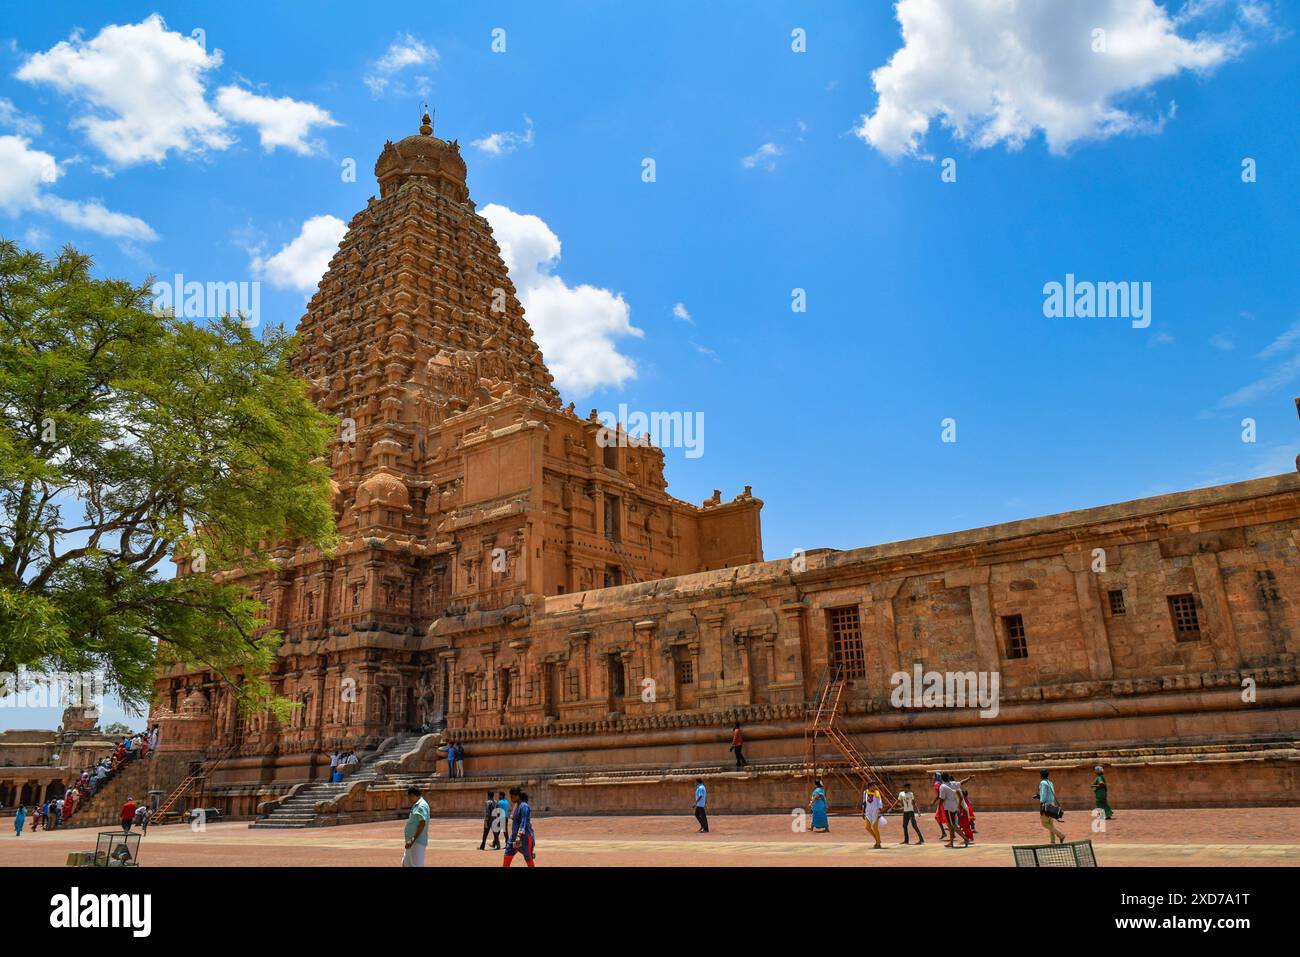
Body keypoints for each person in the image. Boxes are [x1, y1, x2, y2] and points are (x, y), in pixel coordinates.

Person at [503, 789, 536, 867]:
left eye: (512, 797)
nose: (511, 799)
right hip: (513, 837)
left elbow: (523, 821)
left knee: (528, 858)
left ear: (518, 796)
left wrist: (519, 836)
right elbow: (512, 816)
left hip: (524, 838)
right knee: (507, 854)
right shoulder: (516, 805)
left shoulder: (524, 806)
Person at [936, 774, 968, 848]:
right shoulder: (953, 783)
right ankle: (951, 843)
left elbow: (941, 799)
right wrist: (969, 778)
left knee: (953, 825)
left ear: (942, 779)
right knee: (950, 826)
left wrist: (939, 808)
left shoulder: (943, 787)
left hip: (949, 808)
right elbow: (961, 782)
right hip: (954, 806)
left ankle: (965, 838)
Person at [402, 785, 430, 867]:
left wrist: (412, 839)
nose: (408, 799)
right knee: (406, 864)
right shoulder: (417, 804)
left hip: (416, 841)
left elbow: (422, 823)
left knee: (416, 865)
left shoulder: (421, 806)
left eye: (409, 797)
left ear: (413, 795)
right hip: (412, 842)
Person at [1038, 769, 1066, 844]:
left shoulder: (1043, 783)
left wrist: (1041, 803)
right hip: (1052, 805)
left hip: (1046, 806)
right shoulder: (1050, 782)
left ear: (1041, 775)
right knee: (1050, 824)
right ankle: (1052, 841)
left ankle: (1061, 835)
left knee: (1044, 823)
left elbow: (1043, 796)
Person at [862, 783, 884, 849]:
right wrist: (863, 812)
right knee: (867, 827)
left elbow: (880, 802)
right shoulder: (865, 792)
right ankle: (878, 840)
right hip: (868, 812)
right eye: (873, 786)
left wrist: (879, 811)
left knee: (875, 827)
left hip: (875, 812)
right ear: (869, 786)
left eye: (875, 785)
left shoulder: (877, 793)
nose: (874, 787)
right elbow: (864, 802)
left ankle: (878, 843)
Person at [932, 771, 947, 839]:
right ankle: (944, 832)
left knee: (943, 818)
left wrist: (933, 802)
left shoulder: (937, 784)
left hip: (941, 803)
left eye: (934, 776)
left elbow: (938, 795)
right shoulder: (941, 783)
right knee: (939, 817)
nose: (932, 777)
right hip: (942, 803)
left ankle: (952, 831)